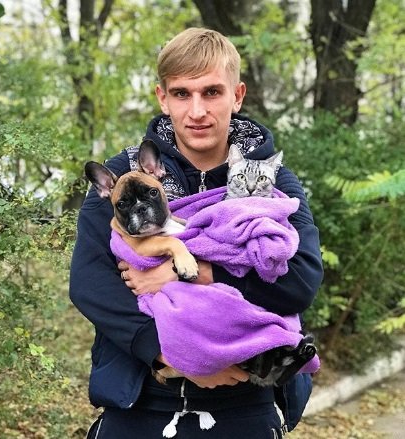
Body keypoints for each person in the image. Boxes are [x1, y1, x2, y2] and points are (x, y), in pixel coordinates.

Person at [70, 27, 323, 439]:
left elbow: (301, 281)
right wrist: (169, 353)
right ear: (162, 98)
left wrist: (199, 272)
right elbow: (89, 282)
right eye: (182, 93)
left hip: (247, 403)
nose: (197, 110)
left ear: (237, 95)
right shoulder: (124, 179)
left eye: (212, 92)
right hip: (142, 400)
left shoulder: (271, 181)